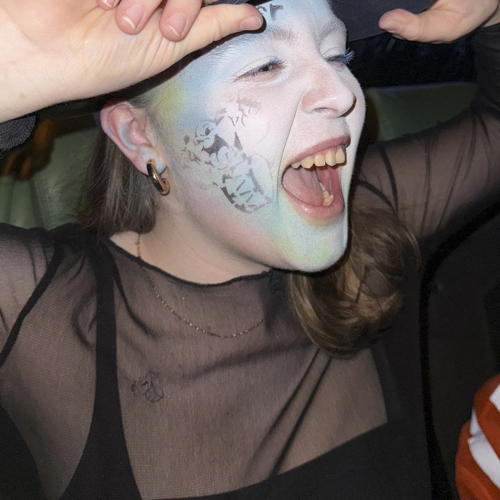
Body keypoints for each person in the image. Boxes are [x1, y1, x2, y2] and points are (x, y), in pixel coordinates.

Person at [1, 1, 500, 499]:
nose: (342, 94)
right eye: (265, 66)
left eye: (338, 56)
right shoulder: (42, 311)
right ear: (140, 135)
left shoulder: (369, 222)